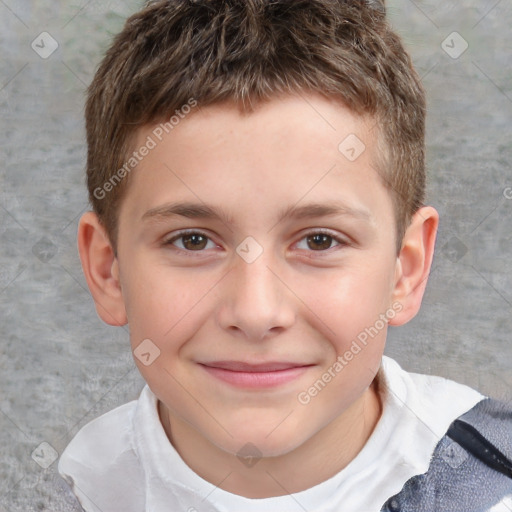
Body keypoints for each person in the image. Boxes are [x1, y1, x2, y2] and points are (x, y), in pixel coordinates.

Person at [58, 0, 512, 510]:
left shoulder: (492, 480)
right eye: (193, 240)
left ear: (405, 269)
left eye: (320, 240)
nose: (256, 313)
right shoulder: (73, 487)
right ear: (107, 270)